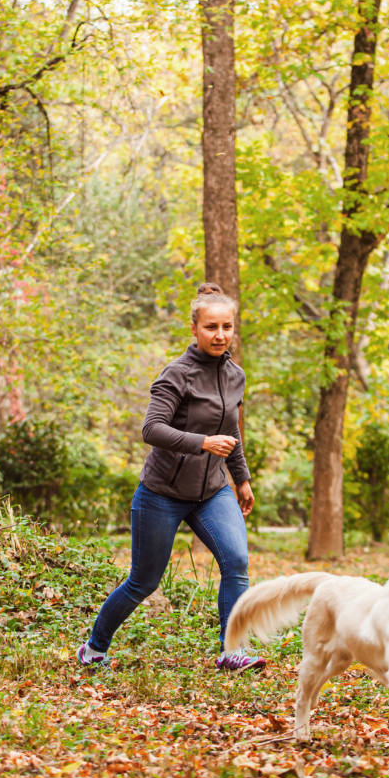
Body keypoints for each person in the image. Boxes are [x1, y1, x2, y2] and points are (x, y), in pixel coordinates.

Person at [79, 283, 265, 672]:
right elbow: (152, 429)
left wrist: (241, 479)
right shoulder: (177, 374)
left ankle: (232, 651)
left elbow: (232, 432)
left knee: (236, 561)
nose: (220, 335)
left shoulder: (235, 376)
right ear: (195, 329)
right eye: (211, 327)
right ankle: (94, 648)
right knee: (143, 582)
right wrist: (202, 443)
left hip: (212, 492)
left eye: (227, 327)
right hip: (161, 493)